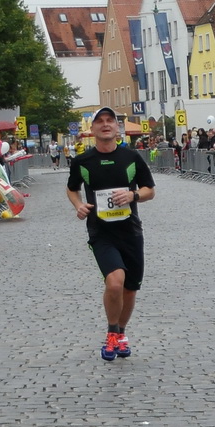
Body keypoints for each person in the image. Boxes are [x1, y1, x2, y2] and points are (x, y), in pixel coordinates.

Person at [67, 107, 157, 361]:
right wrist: (78, 205)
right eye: (100, 122)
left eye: (110, 121)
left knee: (130, 288)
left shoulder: (131, 157)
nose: (106, 125)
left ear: (117, 128)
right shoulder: (82, 161)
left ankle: (121, 333)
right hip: (101, 232)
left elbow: (150, 190)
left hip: (130, 231)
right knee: (115, 282)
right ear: (92, 129)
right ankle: (111, 333)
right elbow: (72, 189)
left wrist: (133, 195)